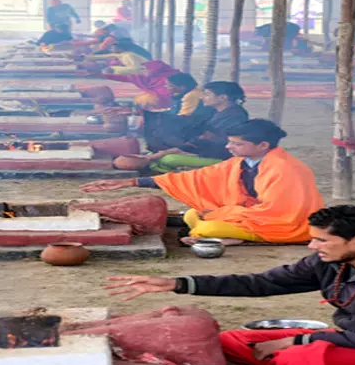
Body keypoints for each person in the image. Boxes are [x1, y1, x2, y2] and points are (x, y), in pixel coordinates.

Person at [102, 205, 355, 365]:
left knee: (297, 360)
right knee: (233, 340)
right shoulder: (330, 259)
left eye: (321, 239)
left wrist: (298, 342)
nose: (312, 245)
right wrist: (178, 283)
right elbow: (263, 282)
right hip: (352, 339)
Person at [81, 119, 324, 244]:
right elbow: (192, 179)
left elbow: (280, 213)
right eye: (230, 142)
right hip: (251, 214)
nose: (229, 147)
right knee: (191, 215)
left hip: (288, 224)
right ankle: (227, 235)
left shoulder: (286, 169)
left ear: (262, 145)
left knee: (208, 226)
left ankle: (226, 236)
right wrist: (131, 182)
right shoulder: (242, 162)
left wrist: (223, 213)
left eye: (237, 144)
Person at [147, 81, 250, 173]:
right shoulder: (217, 112)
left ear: (223, 97)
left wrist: (177, 151)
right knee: (155, 157)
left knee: (168, 160)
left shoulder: (234, 116)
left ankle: (191, 174)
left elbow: (210, 140)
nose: (202, 98)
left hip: (221, 157)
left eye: (207, 94)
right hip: (204, 151)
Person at [142, 73, 213, 153]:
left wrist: (159, 117)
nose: (166, 87)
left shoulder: (191, 95)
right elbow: (174, 109)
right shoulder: (180, 93)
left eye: (169, 86)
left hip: (190, 124)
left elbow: (184, 115)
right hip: (184, 120)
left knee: (153, 121)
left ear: (182, 87)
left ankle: (163, 148)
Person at [103, 60, 180, 110]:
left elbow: (170, 95)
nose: (143, 71)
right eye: (143, 69)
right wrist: (104, 76)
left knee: (146, 99)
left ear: (154, 70)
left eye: (145, 69)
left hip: (171, 103)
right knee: (141, 98)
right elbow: (126, 78)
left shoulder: (171, 78)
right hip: (161, 102)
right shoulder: (147, 76)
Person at [84, 40, 150, 75]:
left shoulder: (128, 55)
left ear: (120, 49)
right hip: (135, 70)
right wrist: (86, 57)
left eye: (114, 48)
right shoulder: (120, 55)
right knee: (109, 69)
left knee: (109, 69)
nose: (112, 50)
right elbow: (104, 56)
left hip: (142, 71)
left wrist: (116, 70)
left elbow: (136, 68)